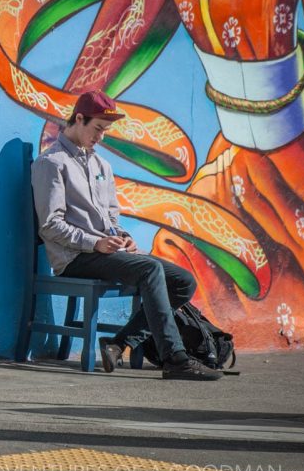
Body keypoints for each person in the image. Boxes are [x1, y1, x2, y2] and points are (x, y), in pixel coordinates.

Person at [30, 90, 222, 381]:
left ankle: (119, 343)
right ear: (78, 119)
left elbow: (111, 218)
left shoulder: (101, 166)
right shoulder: (51, 163)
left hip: (106, 252)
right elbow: (50, 226)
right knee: (150, 269)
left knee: (183, 281)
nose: (101, 137)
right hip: (75, 258)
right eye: (97, 129)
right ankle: (175, 358)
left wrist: (122, 236)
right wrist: (95, 242)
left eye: (105, 131)